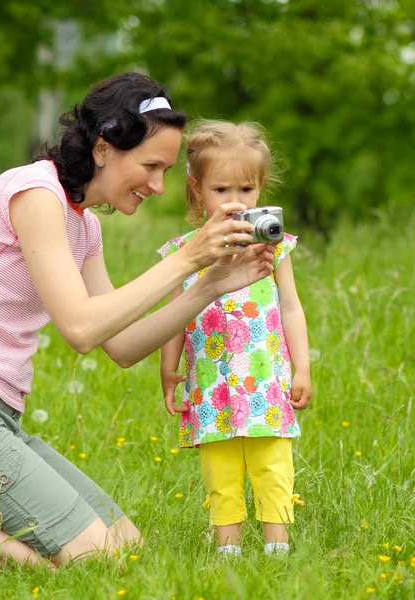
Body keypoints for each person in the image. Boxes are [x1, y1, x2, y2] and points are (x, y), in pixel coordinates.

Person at [0, 75, 276, 568]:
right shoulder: (35, 193)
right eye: (151, 166)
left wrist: (210, 286)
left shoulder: (84, 224)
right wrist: (186, 259)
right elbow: (81, 328)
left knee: (125, 545)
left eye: (166, 171)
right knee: (93, 558)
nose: (157, 186)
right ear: (105, 148)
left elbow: (124, 345)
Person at [158, 120, 312, 557]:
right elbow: (173, 317)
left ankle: (276, 550)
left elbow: (291, 307)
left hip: (265, 379)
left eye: (246, 190)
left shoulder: (272, 247)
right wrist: (169, 370)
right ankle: (228, 551)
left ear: (261, 189)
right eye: (221, 190)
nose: (235, 201)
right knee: (220, 471)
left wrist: (302, 367)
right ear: (196, 190)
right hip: (211, 383)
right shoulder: (184, 254)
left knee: (272, 465)